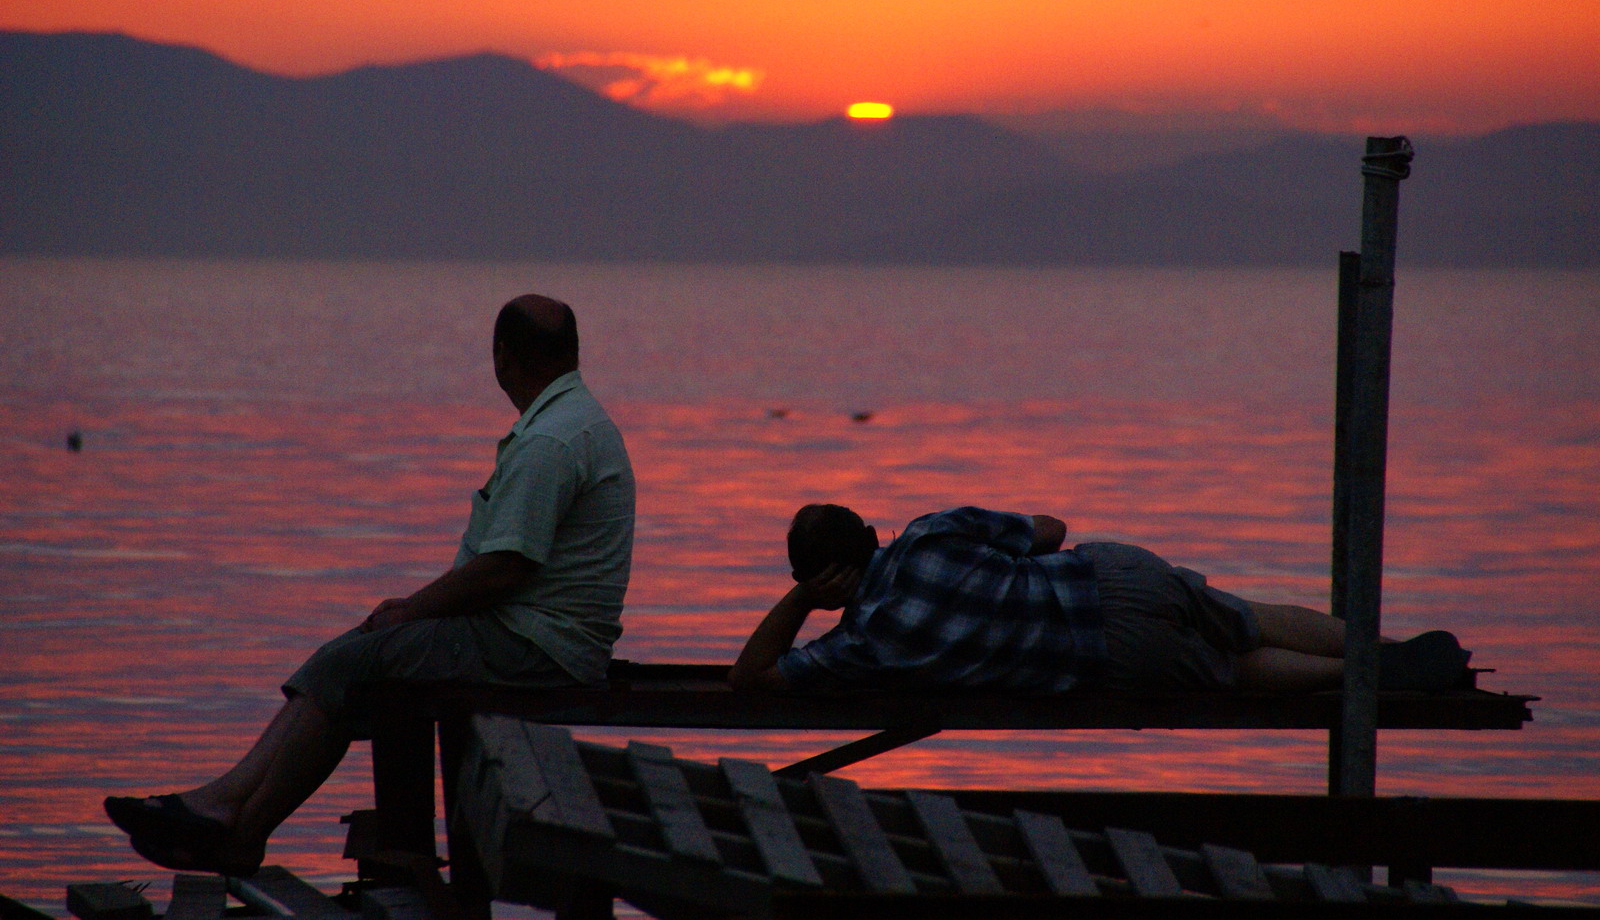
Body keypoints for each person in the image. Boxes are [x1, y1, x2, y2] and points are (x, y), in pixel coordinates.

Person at [105, 294, 635, 877]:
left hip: (533, 649)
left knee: (351, 666)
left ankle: (239, 828)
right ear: (572, 354)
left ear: (502, 358)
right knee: (349, 656)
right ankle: (222, 805)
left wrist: (411, 610)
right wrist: (411, 615)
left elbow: (504, 569)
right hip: (537, 639)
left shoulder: (549, 443)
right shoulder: (576, 423)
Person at [729, 504, 1469, 696]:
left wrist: (799, 602)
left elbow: (750, 675)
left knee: (1233, 669)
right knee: (1247, 615)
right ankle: (1383, 649)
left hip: (1105, 655)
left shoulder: (866, 646)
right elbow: (1051, 529)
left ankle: (1355, 678)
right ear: (867, 533)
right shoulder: (929, 534)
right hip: (1111, 576)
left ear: (821, 581)